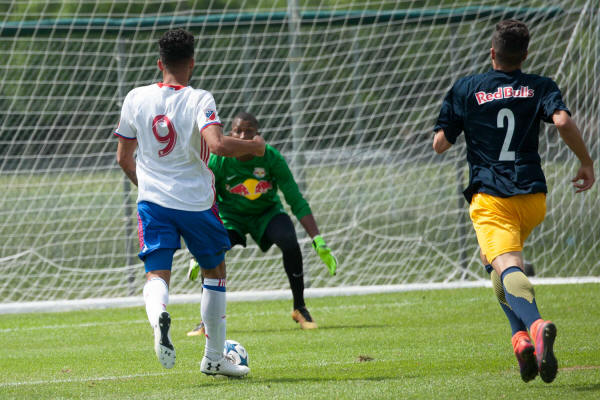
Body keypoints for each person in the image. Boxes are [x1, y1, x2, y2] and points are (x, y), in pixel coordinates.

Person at [432, 20, 595, 384]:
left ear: (492, 52)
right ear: (525, 55)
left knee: (507, 266)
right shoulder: (540, 86)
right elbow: (562, 122)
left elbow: (440, 144)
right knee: (492, 261)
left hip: (493, 197)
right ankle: (519, 339)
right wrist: (586, 161)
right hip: (532, 197)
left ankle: (535, 327)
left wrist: (456, 127)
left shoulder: (468, 88)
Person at [114, 29, 265, 377]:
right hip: (196, 202)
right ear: (192, 63)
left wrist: (149, 188)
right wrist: (255, 147)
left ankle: (159, 316)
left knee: (156, 273)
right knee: (215, 271)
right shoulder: (199, 98)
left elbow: (123, 157)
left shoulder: (135, 97)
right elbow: (218, 145)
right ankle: (213, 357)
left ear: (160, 63)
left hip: (153, 202)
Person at [187, 111, 337, 335]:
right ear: (230, 134)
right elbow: (205, 200)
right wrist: (199, 245)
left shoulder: (271, 157)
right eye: (238, 131)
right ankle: (207, 319)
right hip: (231, 217)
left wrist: (317, 238)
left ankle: (300, 308)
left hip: (267, 213)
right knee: (212, 250)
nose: (243, 136)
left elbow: (295, 199)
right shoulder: (218, 160)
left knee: (289, 241)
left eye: (249, 131)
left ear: (258, 134)